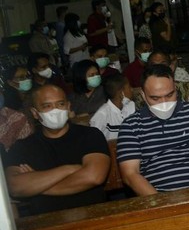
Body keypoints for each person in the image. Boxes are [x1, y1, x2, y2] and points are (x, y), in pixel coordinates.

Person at [117, 64, 189, 195]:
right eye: (155, 98)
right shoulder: (131, 126)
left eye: (169, 95)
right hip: (156, 198)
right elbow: (130, 174)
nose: (163, 103)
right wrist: (161, 203)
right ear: (143, 96)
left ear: (176, 90)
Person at [4, 84, 110, 215]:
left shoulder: (90, 135)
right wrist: (68, 169)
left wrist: (37, 185)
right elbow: (14, 187)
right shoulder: (22, 147)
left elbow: (94, 177)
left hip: (93, 216)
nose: (55, 110)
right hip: (45, 222)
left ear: (68, 106)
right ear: (35, 113)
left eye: (60, 104)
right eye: (47, 106)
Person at [90, 74, 135, 141]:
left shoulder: (131, 105)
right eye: (129, 87)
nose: (132, 89)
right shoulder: (102, 114)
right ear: (121, 93)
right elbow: (93, 140)